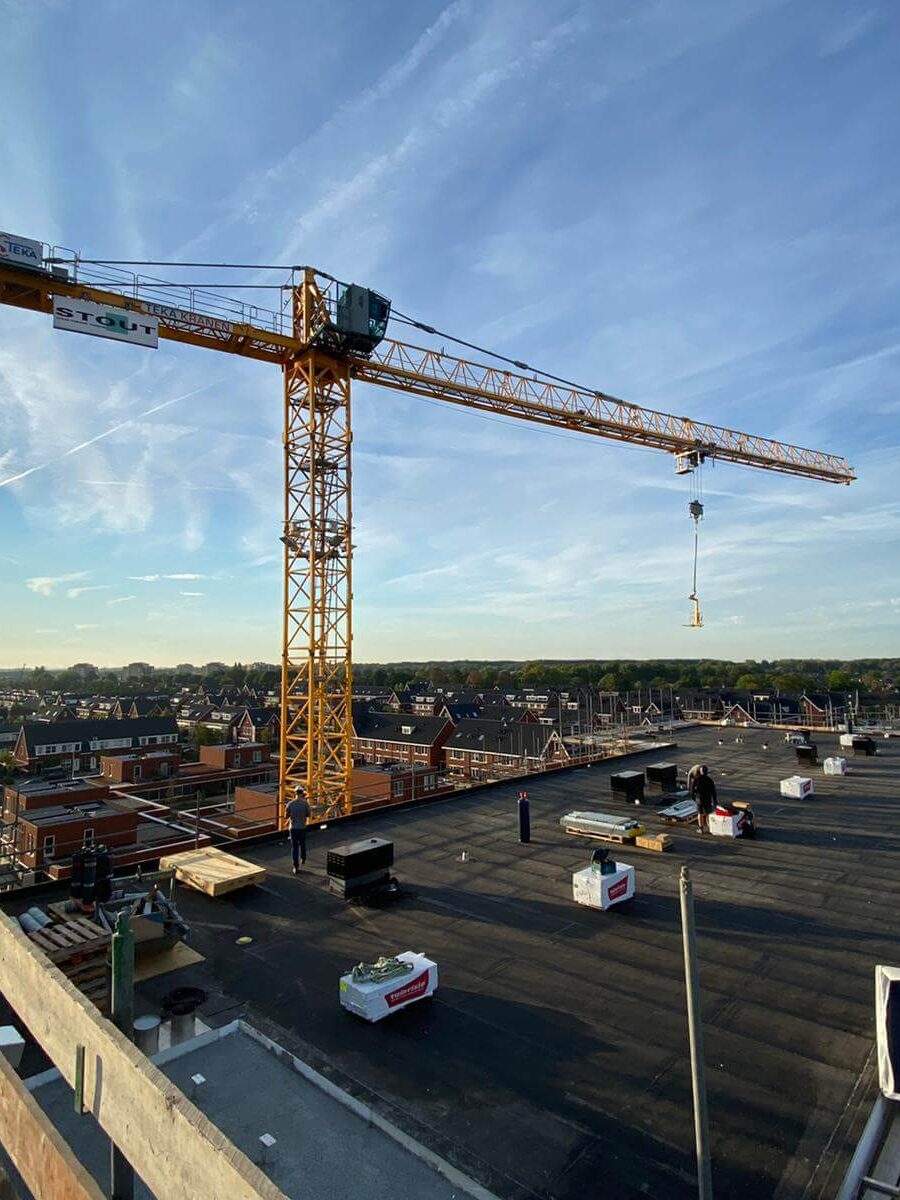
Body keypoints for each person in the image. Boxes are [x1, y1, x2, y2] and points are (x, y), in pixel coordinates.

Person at [285, 789, 310, 874]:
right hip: (302, 827)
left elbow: (286, 816)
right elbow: (308, 815)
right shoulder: (305, 803)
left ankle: (296, 866)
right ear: (302, 794)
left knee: (295, 847)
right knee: (302, 843)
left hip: (293, 828)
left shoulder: (290, 804)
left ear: (295, 793)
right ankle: (303, 857)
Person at [691, 764, 717, 835]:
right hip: (707, 799)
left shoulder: (696, 779)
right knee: (708, 814)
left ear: (700, 771)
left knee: (700, 814)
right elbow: (713, 792)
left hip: (699, 799)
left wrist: (693, 797)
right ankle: (710, 828)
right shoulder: (710, 780)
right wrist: (715, 801)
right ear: (707, 772)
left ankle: (701, 829)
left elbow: (692, 790)